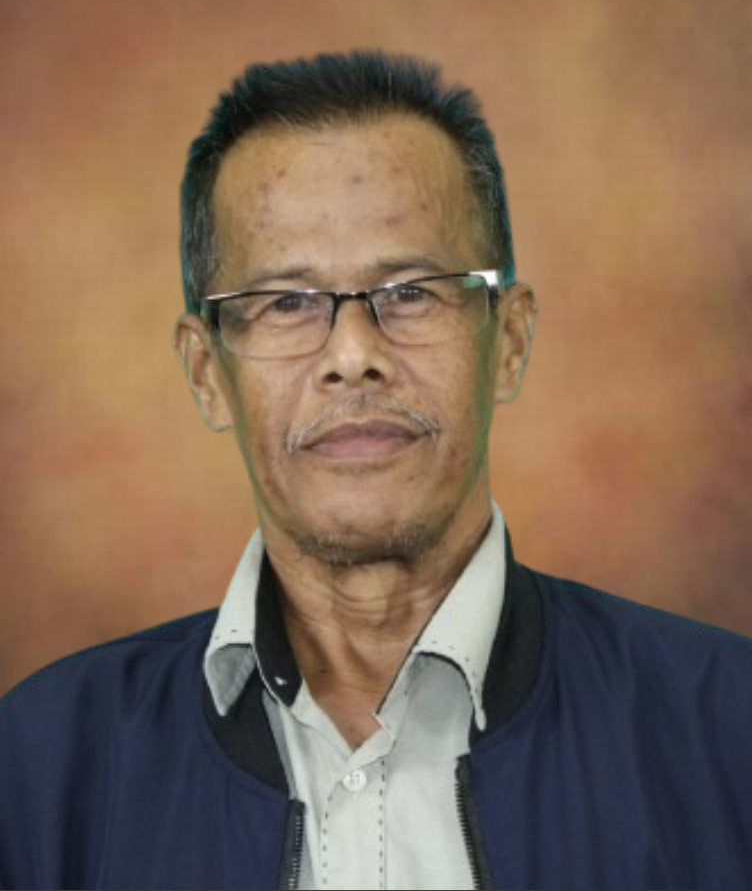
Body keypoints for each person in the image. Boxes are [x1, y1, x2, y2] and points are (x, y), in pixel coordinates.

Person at [1, 51, 751, 891]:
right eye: (287, 301)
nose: (353, 354)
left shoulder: (728, 734)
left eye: (411, 290)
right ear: (206, 372)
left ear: (509, 340)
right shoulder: (41, 773)